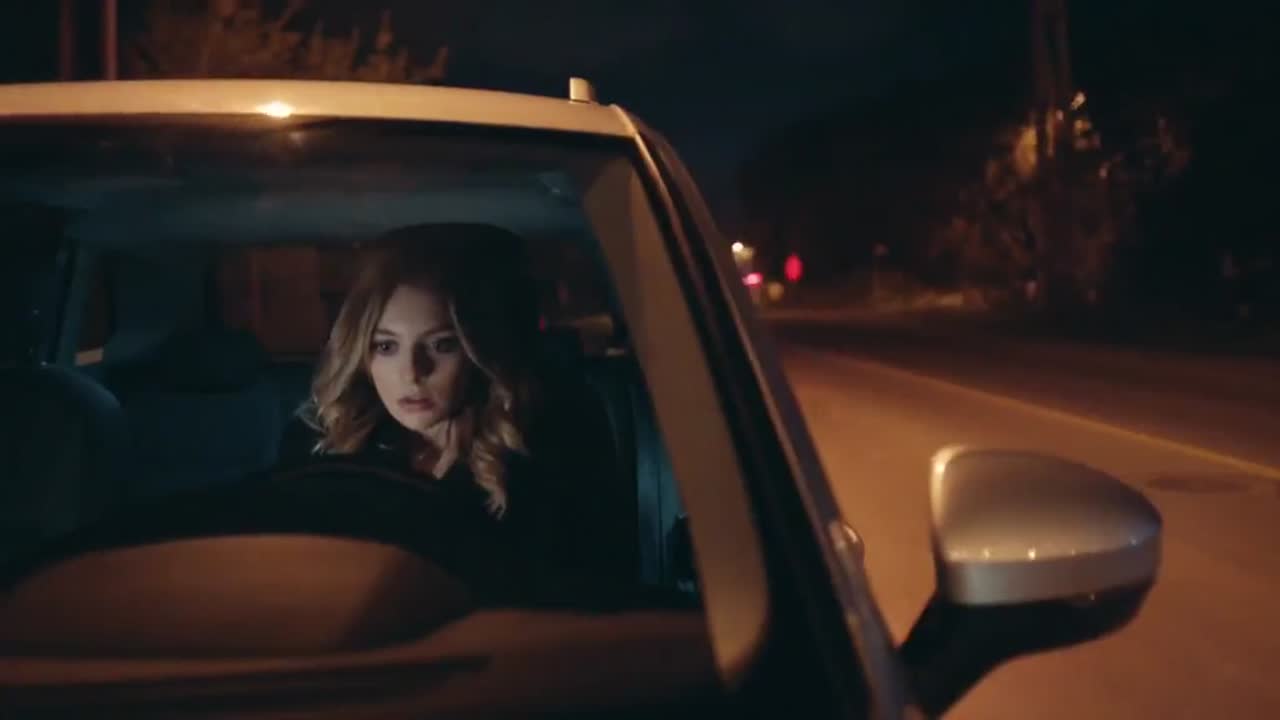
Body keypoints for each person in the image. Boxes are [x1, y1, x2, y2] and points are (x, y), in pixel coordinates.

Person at [278, 223, 631, 604]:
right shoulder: (320, 447)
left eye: (442, 345)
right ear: (361, 353)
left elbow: (588, 592)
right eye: (386, 347)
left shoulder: (547, 452)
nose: (412, 372)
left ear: (479, 350)